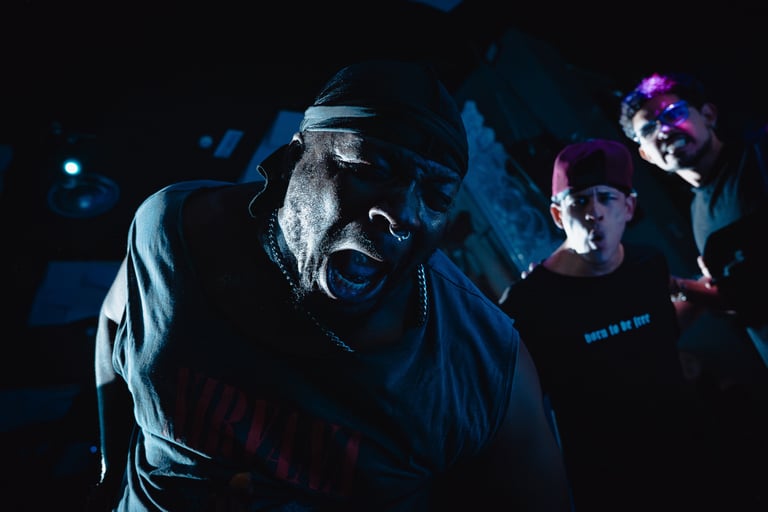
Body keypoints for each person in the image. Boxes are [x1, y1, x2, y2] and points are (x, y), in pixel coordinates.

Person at [88, 59, 572, 511]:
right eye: (370, 169)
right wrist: (110, 473)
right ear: (292, 161)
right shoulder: (176, 230)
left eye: (437, 196)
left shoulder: (483, 361)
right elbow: (112, 321)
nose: (403, 213)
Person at [497, 138, 714, 511]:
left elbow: (655, 334)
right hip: (609, 484)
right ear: (558, 215)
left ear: (628, 208)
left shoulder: (648, 265)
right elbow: (515, 414)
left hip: (688, 458)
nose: (594, 212)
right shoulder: (527, 302)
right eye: (580, 200)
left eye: (606, 198)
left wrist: (709, 293)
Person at [618, 71, 768, 369]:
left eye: (673, 114)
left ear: (708, 115)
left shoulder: (760, 155)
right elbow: (744, 296)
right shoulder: (698, 214)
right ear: (646, 154)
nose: (663, 130)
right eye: (648, 129)